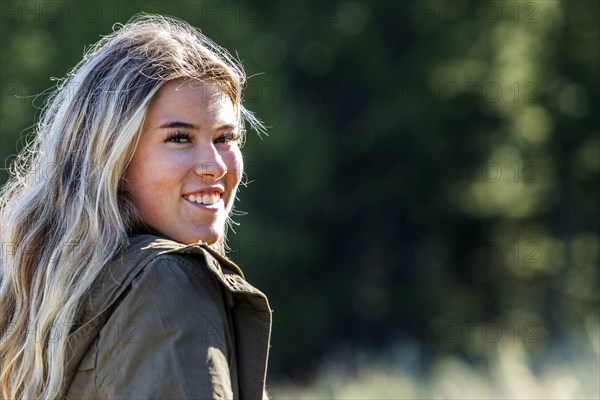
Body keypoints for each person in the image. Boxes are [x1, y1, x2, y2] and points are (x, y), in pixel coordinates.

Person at [0, 14, 271, 399]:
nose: (214, 165)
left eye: (225, 137)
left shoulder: (62, 289)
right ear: (113, 156)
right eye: (179, 138)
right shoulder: (168, 283)